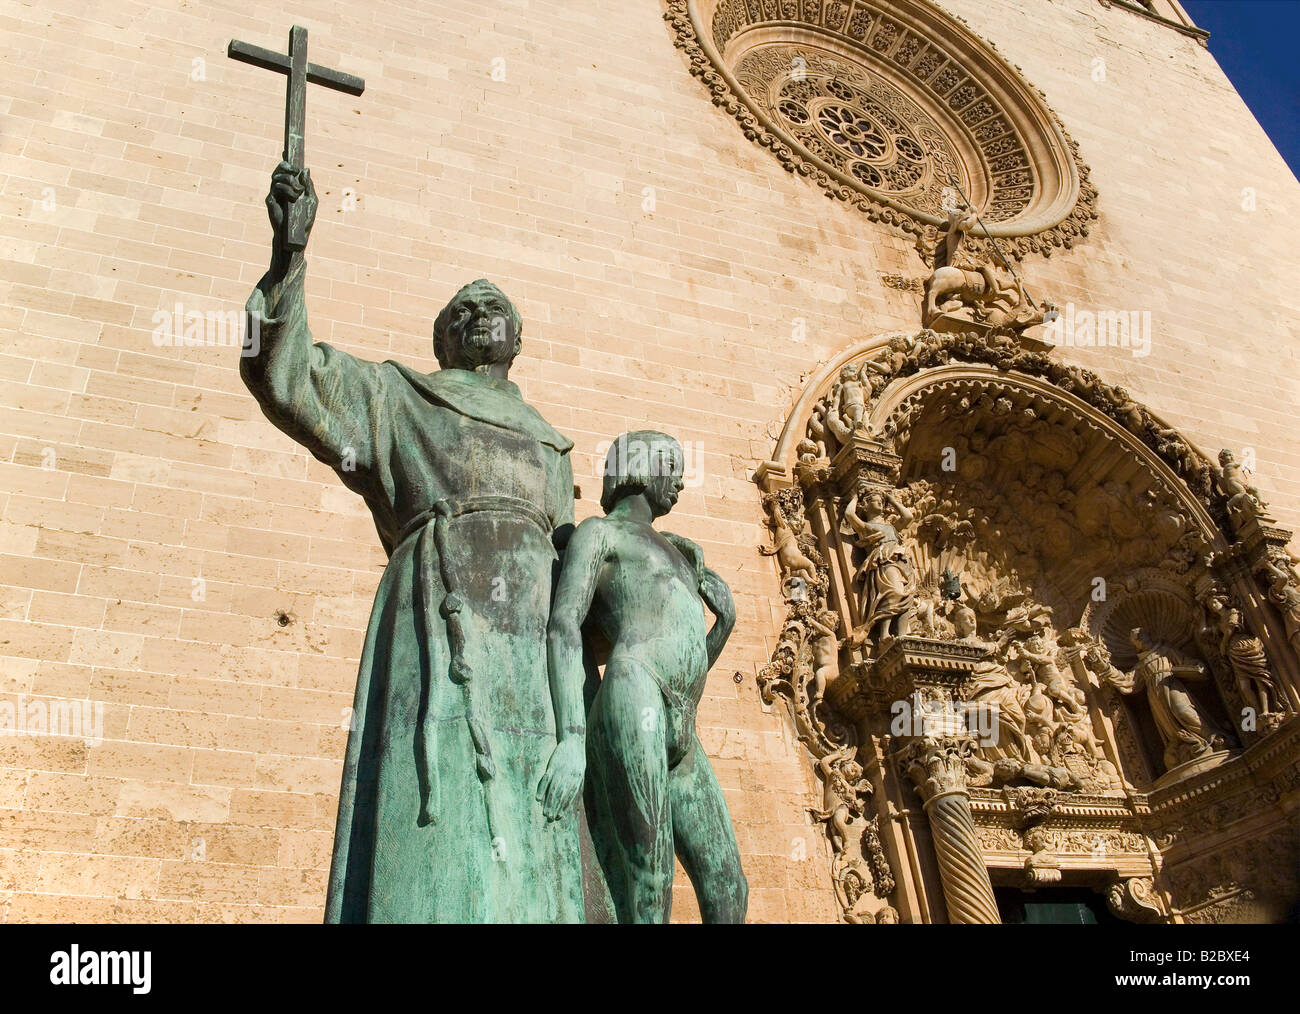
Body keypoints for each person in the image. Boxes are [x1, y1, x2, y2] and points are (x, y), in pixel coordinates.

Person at [242, 162, 586, 922]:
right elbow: (283, 375)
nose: (477, 312)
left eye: (493, 306)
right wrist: (288, 260)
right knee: (438, 813)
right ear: (443, 339)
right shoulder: (397, 394)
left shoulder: (556, 449)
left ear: (519, 338)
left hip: (534, 643)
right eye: (461, 309)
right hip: (437, 610)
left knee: (538, 826)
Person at [547, 431, 748, 923]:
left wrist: (722, 628)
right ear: (640, 466)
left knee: (729, 886)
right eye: (672, 467)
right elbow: (563, 623)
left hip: (683, 721)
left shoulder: (680, 553)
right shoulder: (600, 533)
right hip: (635, 692)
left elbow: (690, 662)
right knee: (651, 875)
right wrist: (572, 737)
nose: (679, 481)